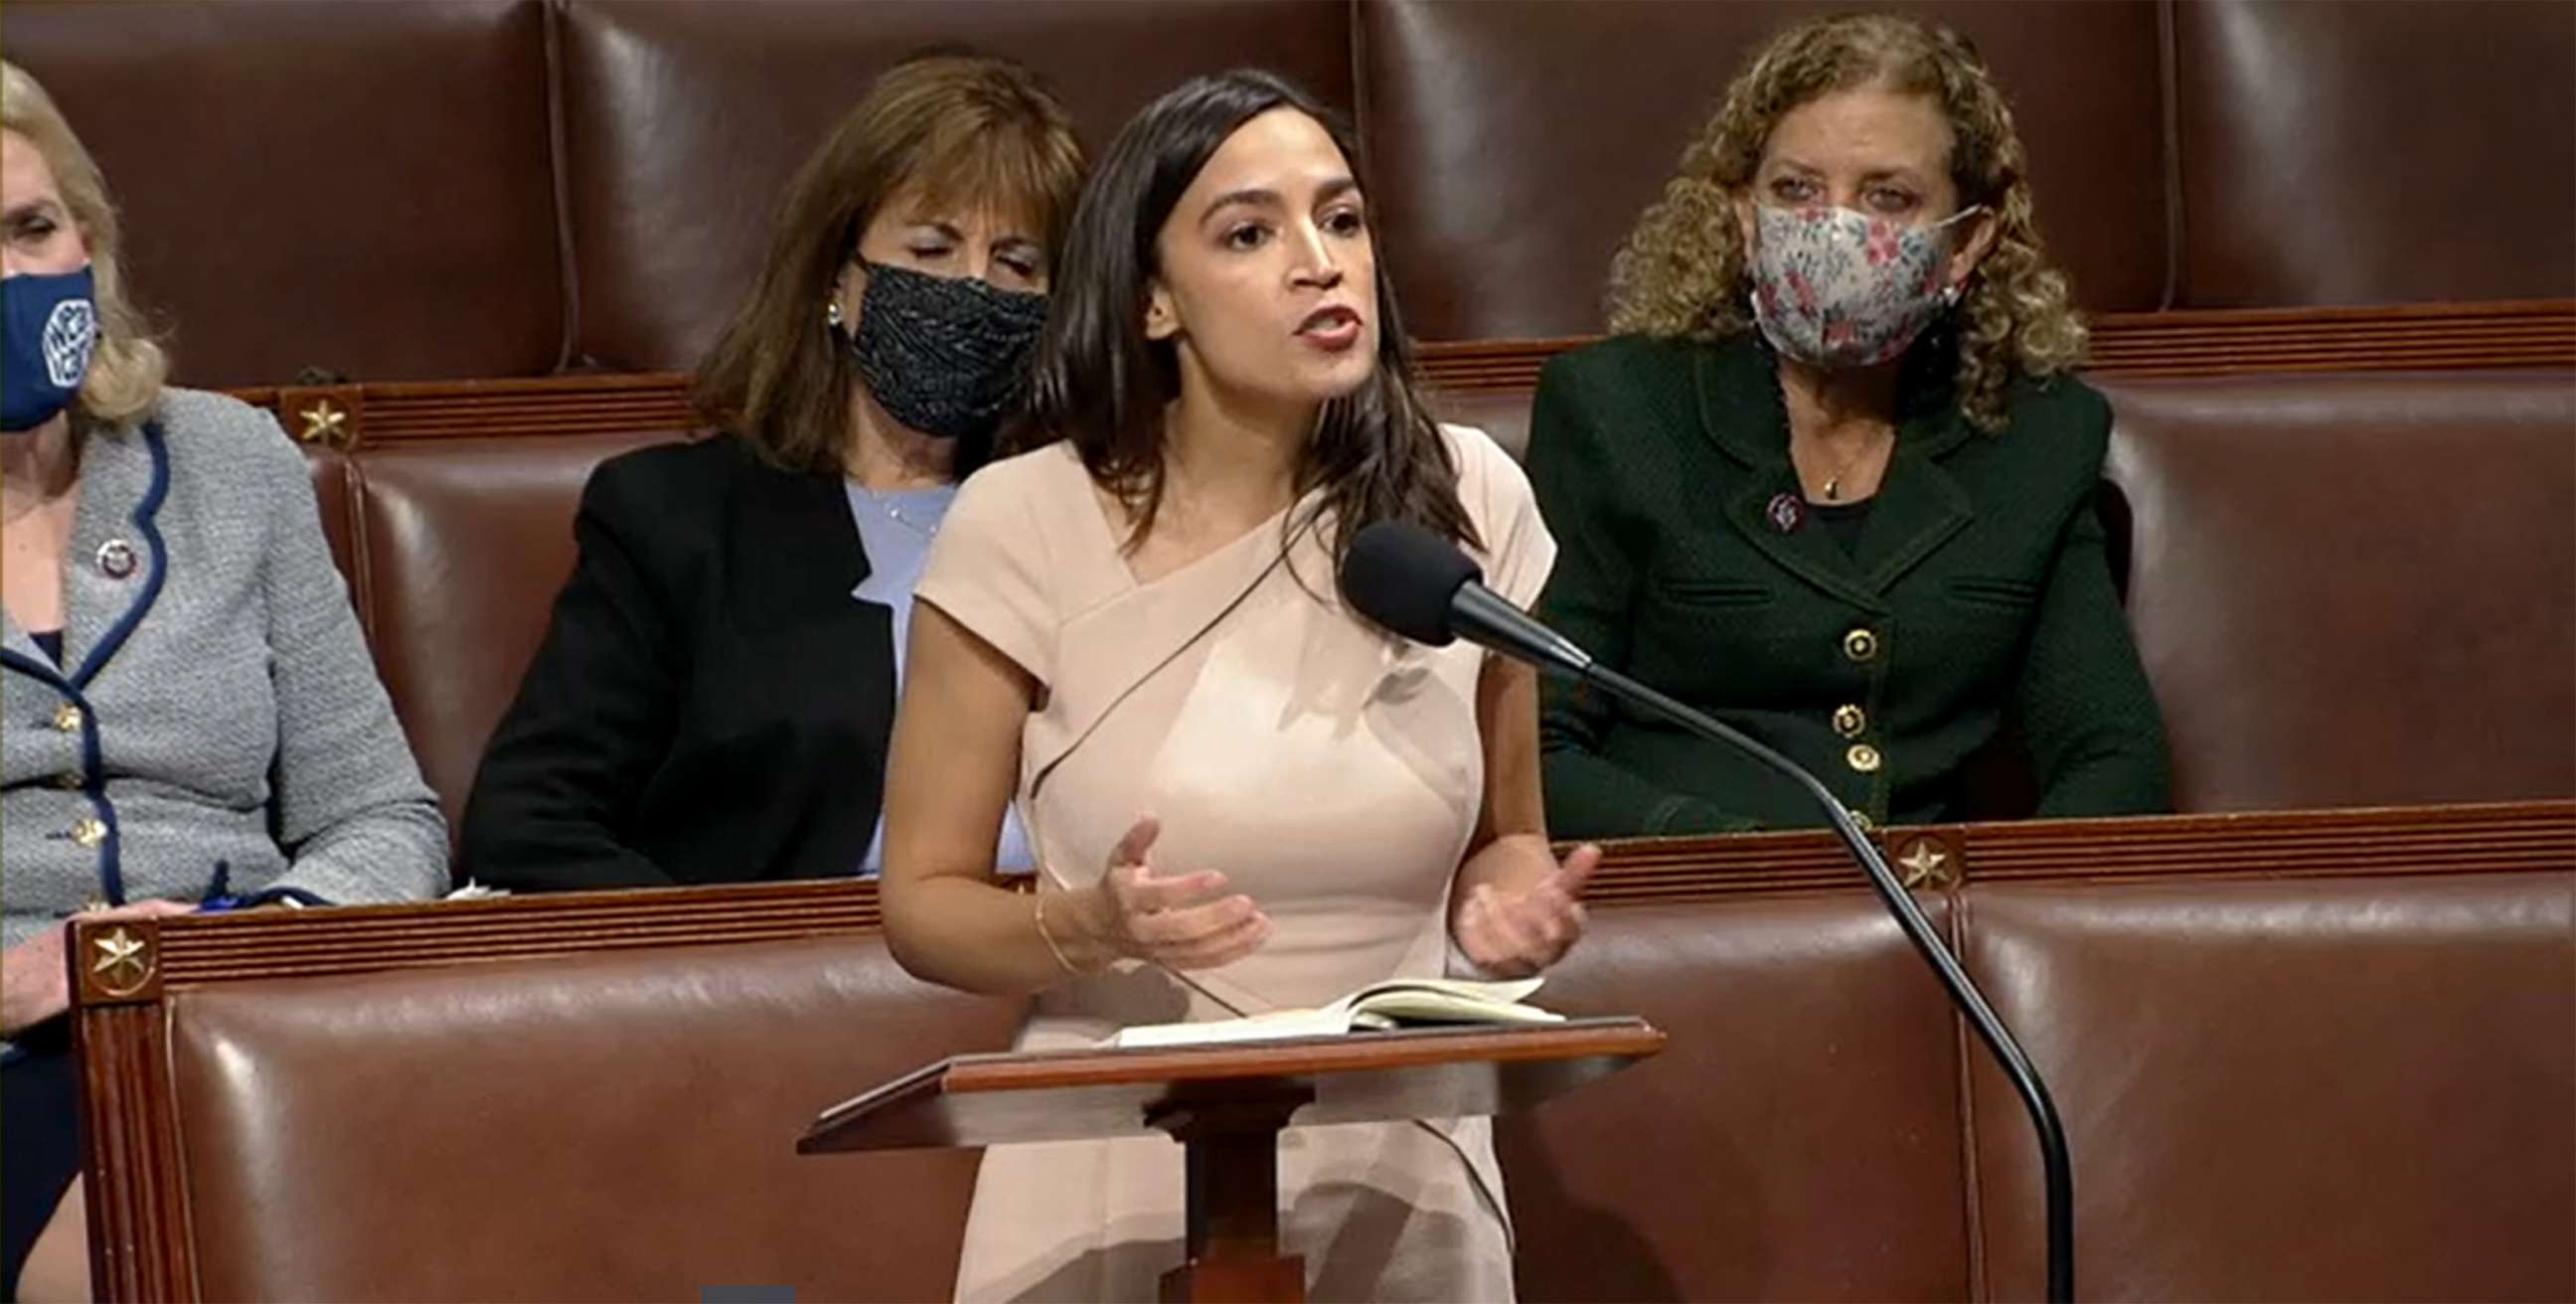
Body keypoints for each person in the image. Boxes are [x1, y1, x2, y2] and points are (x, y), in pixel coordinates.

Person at [880, 69, 1593, 1302]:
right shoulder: (1027, 519)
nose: (1319, 263)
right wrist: (1086, 925)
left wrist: (1510, 900)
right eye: (1250, 233)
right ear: (1154, 301)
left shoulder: (1466, 496)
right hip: (1116, 1158)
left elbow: (1507, 837)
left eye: (1344, 219)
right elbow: (923, 904)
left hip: (1399, 1168)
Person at [0, 61, 446, 1302]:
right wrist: (18, 981)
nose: (12, 281)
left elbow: (382, 817)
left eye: (32, 230)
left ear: (88, 236)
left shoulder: (226, 460)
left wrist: (256, 953)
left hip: (255, 1028)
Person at [1529, 13, 2171, 839]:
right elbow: (1532, 751)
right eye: (1796, 190)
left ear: (1968, 242)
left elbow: (2113, 756)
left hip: (1919, 926)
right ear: (1744, 212)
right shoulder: (1617, 411)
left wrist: (2006, 916)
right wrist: (1737, 866)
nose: (1834, 228)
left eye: (1887, 197)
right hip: (1683, 915)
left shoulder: (2036, 437)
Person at [459, 53, 1083, 890]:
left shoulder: (1100, 515)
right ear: (837, 278)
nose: (972, 290)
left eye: (1015, 265)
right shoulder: (676, 520)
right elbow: (527, 823)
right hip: (786, 990)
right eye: (932, 249)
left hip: (1077, 970)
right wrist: (723, 972)